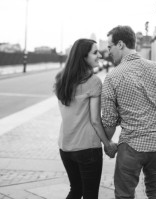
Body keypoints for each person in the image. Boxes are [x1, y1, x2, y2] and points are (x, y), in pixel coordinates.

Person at [101, 25, 156, 199]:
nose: (109, 52)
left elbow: (109, 121)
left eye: (110, 47)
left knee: (124, 195)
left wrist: (108, 143)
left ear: (120, 44)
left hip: (131, 146)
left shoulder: (112, 77)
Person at [54, 38, 114, 199]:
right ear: (83, 57)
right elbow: (95, 119)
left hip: (65, 146)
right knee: (90, 195)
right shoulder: (93, 82)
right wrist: (108, 144)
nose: (99, 55)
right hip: (87, 148)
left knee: (75, 190)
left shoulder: (61, 79)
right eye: (95, 52)